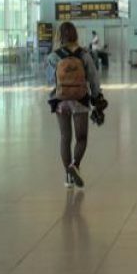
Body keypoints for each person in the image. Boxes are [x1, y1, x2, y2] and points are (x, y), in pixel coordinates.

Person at [47, 22, 102, 189]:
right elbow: (93, 79)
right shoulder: (84, 55)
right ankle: (75, 165)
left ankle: (68, 177)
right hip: (80, 100)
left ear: (59, 36)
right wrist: (96, 97)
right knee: (81, 138)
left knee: (65, 137)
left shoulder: (53, 57)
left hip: (61, 101)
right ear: (75, 35)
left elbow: (50, 80)